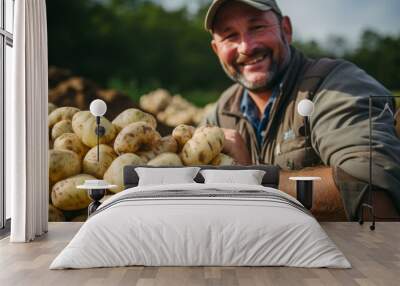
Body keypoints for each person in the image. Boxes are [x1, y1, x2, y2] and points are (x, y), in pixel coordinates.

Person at [203, 0, 400, 220]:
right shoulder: (222, 110)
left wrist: (250, 179)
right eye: (230, 36)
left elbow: (373, 195)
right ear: (216, 49)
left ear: (286, 30)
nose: (246, 47)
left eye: (257, 27)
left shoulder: (338, 86)